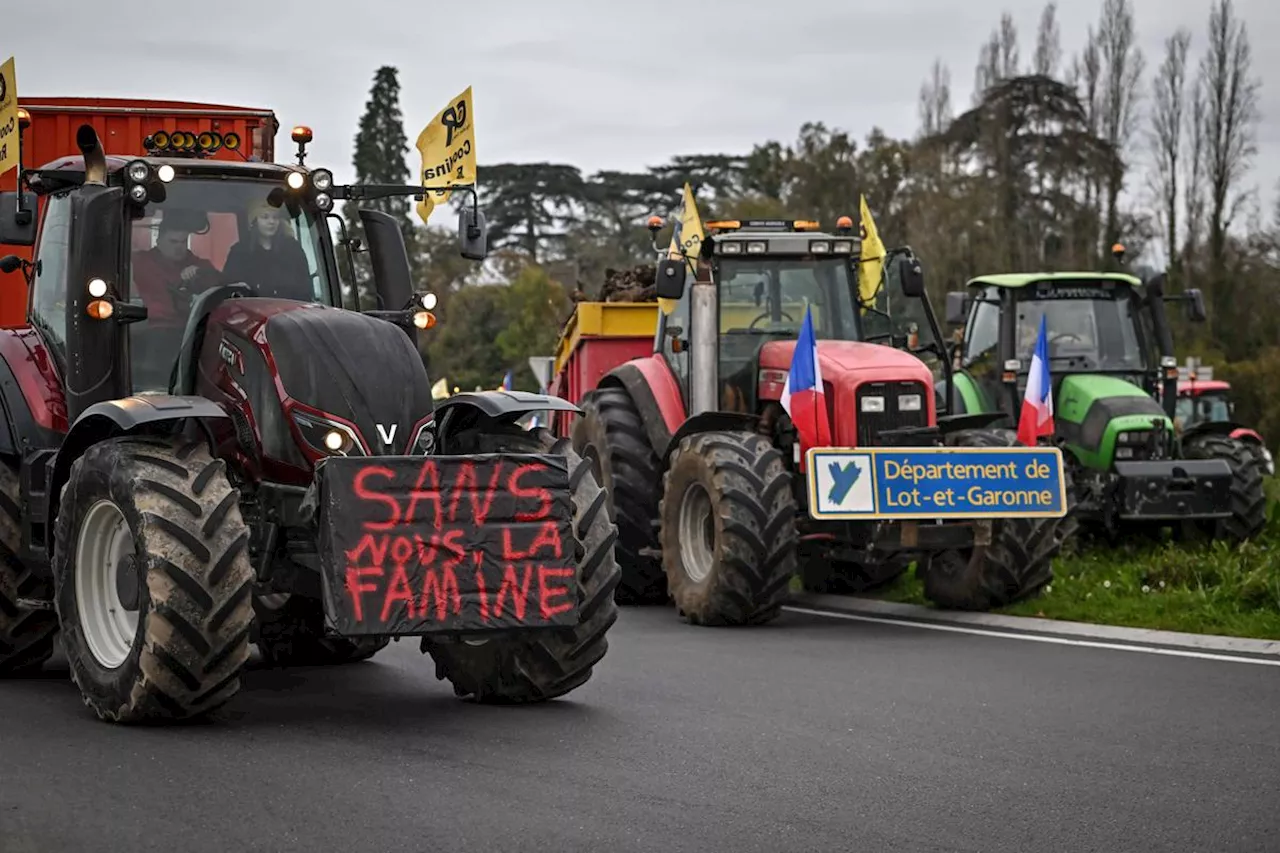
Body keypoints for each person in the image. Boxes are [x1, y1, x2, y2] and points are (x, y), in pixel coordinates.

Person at [130, 215, 221, 326]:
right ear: (158, 242)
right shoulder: (141, 262)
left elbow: (220, 285)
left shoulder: (199, 265)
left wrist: (200, 273)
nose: (179, 247)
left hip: (191, 329)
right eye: (173, 242)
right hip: (153, 328)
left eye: (183, 242)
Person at [222, 200, 314, 301]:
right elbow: (228, 288)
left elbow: (305, 287)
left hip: (290, 311)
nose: (271, 222)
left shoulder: (293, 250)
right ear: (254, 221)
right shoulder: (240, 252)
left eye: (275, 217)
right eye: (265, 217)